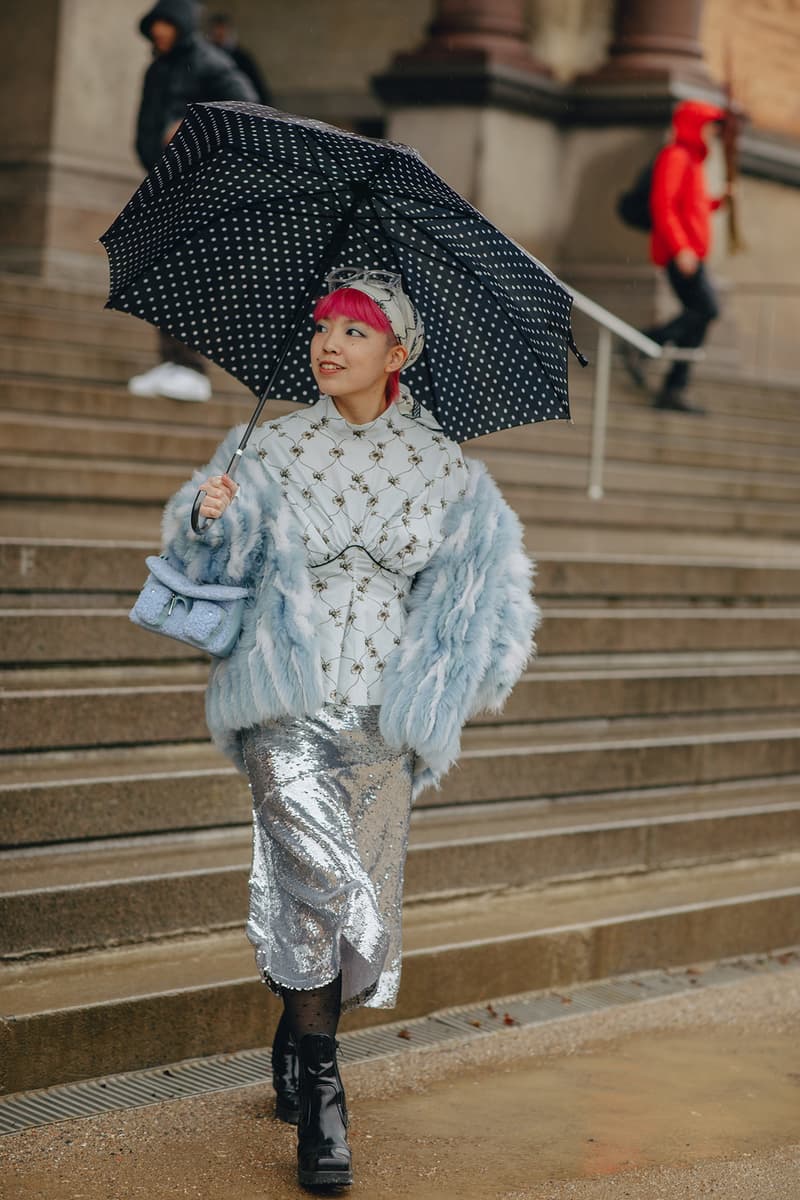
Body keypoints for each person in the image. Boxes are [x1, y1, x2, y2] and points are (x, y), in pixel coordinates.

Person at [159, 267, 538, 1188]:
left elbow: (487, 609)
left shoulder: (448, 468)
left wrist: (441, 686)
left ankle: (299, 1030)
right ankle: (325, 1097)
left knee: (325, 889)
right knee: (321, 879)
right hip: (283, 695)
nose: (329, 344)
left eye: (355, 333)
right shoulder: (270, 446)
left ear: (397, 354)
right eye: (324, 327)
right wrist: (208, 518)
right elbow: (202, 560)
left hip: (384, 714)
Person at [128, 0, 257, 403]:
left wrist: (194, 127)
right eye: (155, 25)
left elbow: (246, 108)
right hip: (167, 181)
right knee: (160, 272)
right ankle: (171, 359)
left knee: (188, 273)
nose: (159, 32)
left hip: (202, 185)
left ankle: (192, 366)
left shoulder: (209, 62)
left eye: (166, 24)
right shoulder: (158, 67)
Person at [623, 100, 729, 414]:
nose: (713, 133)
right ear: (694, 125)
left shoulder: (693, 163)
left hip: (691, 255)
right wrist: (681, 247)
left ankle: (673, 386)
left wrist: (717, 202)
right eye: (710, 126)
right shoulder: (675, 156)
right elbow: (664, 205)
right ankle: (643, 343)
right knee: (708, 309)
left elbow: (691, 207)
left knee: (699, 315)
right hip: (680, 255)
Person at [207, 12, 272, 104]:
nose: (220, 33)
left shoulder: (241, 57)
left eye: (223, 29)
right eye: (217, 29)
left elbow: (256, 84)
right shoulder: (205, 59)